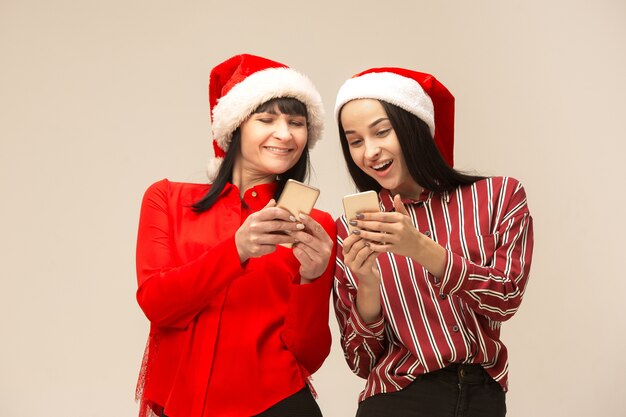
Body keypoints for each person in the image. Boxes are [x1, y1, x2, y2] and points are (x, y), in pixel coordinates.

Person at [134, 54, 336, 417]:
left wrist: (314, 277)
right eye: (267, 119)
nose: (285, 134)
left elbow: (310, 354)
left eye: (297, 122)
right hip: (180, 405)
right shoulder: (167, 199)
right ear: (235, 127)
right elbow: (157, 304)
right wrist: (237, 250)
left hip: (279, 406)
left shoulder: (314, 223)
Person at [332, 67, 534, 417]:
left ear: (415, 128)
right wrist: (367, 287)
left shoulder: (499, 196)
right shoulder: (349, 230)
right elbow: (361, 361)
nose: (370, 152)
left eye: (382, 132)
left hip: (482, 398)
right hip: (396, 399)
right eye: (355, 141)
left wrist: (421, 249)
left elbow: (505, 299)